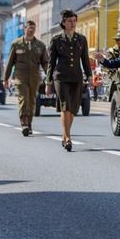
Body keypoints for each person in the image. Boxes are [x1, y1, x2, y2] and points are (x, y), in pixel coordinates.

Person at [46, 9, 92, 151]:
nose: (73, 24)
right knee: (65, 107)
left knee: (72, 109)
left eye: (74, 21)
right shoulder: (56, 40)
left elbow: (85, 60)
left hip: (76, 77)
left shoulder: (81, 39)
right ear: (63, 23)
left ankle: (64, 135)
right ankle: (68, 138)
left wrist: (89, 76)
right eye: (69, 21)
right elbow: (51, 63)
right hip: (61, 77)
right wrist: (48, 82)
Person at [4, 20, 49, 136]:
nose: (31, 30)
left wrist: (49, 77)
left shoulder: (40, 45)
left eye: (33, 28)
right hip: (20, 77)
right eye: (29, 28)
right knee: (24, 99)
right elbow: (9, 62)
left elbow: (45, 63)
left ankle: (29, 123)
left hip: (35, 77)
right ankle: (23, 123)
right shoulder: (16, 44)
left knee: (32, 101)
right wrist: (5, 78)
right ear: (25, 29)